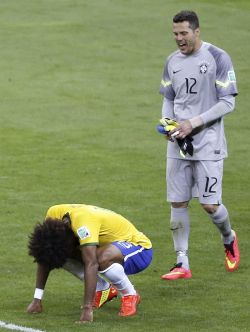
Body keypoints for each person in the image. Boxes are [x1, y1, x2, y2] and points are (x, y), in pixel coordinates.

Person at [158, 10, 240, 280]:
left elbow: (228, 101)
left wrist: (193, 122)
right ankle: (182, 262)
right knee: (178, 202)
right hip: (179, 142)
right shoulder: (172, 61)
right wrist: (169, 123)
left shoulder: (217, 57)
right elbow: (169, 96)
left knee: (210, 206)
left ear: (196, 31)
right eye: (175, 34)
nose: (179, 39)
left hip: (208, 144)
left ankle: (228, 237)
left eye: (184, 33)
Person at [26, 204, 152, 323]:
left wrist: (87, 309)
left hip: (139, 249)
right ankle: (103, 289)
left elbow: (91, 264)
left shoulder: (83, 226)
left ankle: (130, 294)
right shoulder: (53, 214)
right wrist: (37, 299)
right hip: (110, 246)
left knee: (100, 258)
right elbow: (45, 255)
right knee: (59, 256)